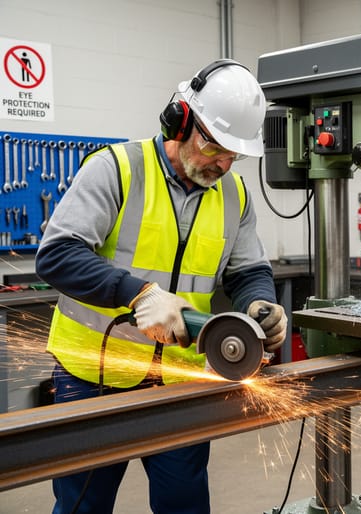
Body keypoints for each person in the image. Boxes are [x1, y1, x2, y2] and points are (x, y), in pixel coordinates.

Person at [36, 59, 287, 514]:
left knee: (184, 506)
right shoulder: (116, 169)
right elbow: (57, 255)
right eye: (215, 147)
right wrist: (137, 293)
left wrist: (261, 305)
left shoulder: (235, 195)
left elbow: (247, 272)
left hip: (179, 379)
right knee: (82, 508)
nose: (225, 164)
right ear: (181, 122)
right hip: (93, 376)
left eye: (236, 154)